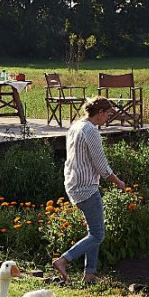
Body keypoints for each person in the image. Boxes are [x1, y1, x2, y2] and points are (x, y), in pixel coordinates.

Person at [52, 96, 126, 284]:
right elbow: (101, 165)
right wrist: (118, 182)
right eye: (107, 114)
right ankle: (63, 260)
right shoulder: (91, 131)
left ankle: (90, 274)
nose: (108, 118)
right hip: (86, 188)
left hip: (73, 184)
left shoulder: (76, 126)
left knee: (93, 231)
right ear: (99, 113)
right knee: (98, 234)